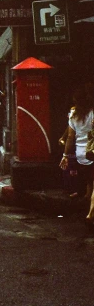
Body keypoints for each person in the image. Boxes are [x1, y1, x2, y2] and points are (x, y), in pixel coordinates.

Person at [59, 86, 94, 230]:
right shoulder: (92, 113)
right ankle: (90, 215)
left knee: (90, 183)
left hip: (80, 155)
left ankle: (87, 201)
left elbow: (70, 138)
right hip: (91, 152)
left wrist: (65, 155)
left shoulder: (73, 115)